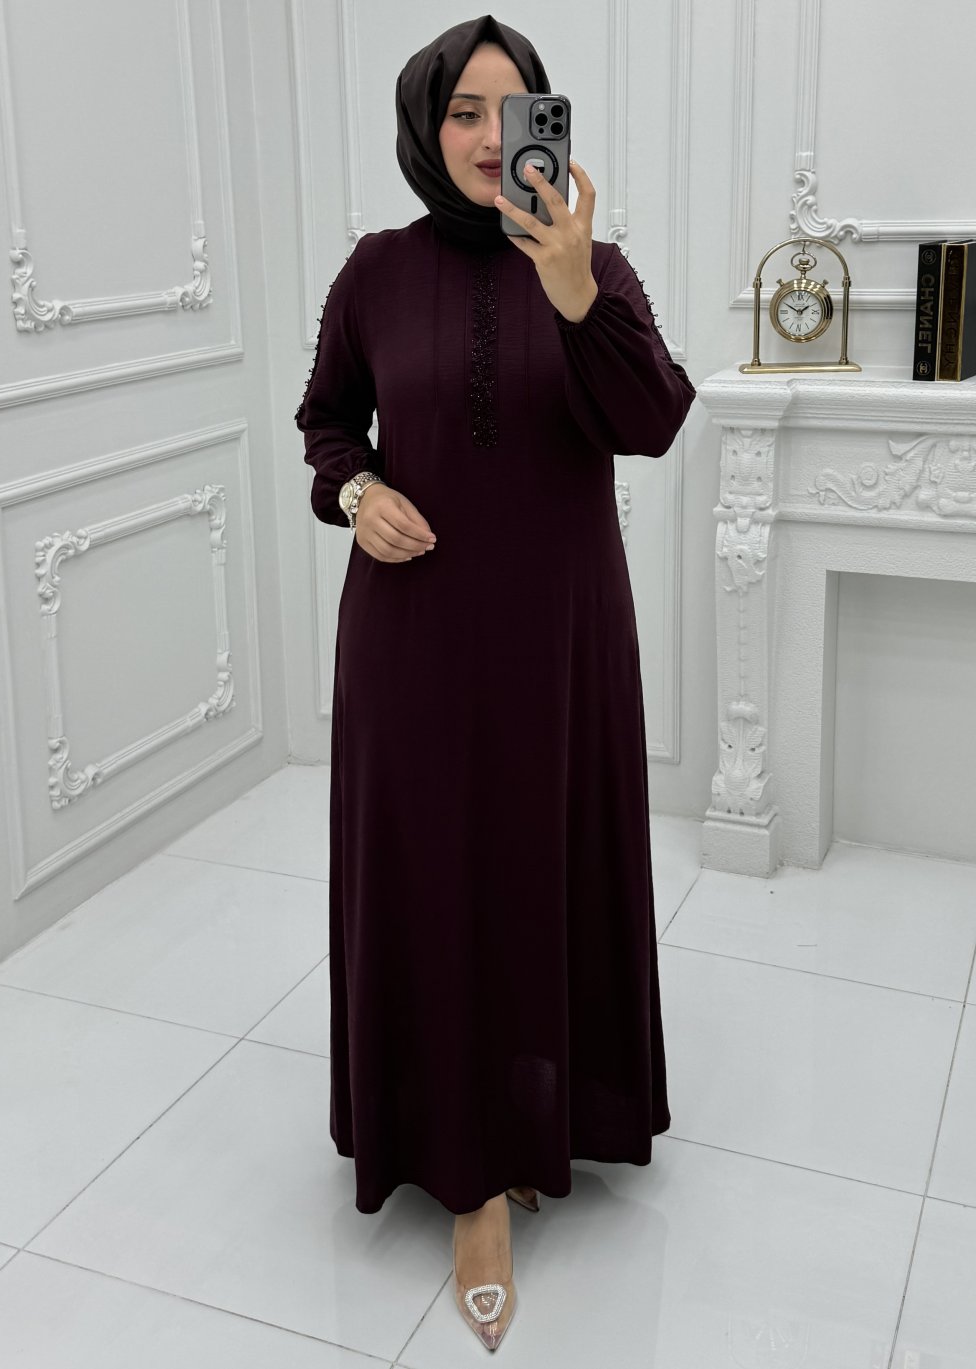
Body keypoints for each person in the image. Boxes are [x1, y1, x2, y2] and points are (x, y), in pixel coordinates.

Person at [294, 13, 696, 1353]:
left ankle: (539, 1121)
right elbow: (326, 422)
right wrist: (355, 492)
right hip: (411, 637)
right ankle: (465, 1177)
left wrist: (574, 290)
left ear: (546, 126)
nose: (483, 136)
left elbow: (654, 420)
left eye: (508, 109)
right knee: (433, 875)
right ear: (426, 126)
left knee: (542, 865)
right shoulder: (375, 271)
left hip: (559, 636)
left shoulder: (594, 265)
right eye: (460, 111)